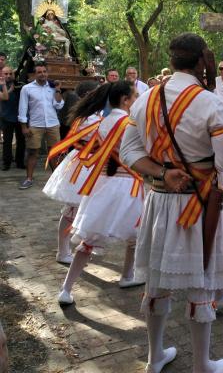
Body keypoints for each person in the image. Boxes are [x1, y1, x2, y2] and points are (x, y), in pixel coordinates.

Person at [120, 33, 223, 373]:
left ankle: (154, 357)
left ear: (171, 61)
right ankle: (202, 365)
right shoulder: (210, 102)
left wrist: (162, 171)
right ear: (202, 61)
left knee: (157, 284)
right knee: (200, 284)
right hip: (198, 205)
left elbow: (128, 152)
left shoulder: (145, 99)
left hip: (159, 199)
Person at [57, 80, 144, 306]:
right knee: (135, 235)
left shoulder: (104, 121)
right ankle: (127, 276)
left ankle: (66, 289)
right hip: (127, 184)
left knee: (89, 239)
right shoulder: (129, 123)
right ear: (125, 100)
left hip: (103, 184)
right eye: (135, 96)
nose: (137, 99)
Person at [43, 80, 100, 265]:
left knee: (88, 208)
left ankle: (84, 245)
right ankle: (63, 250)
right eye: (97, 92)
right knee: (72, 210)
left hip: (91, 162)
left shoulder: (92, 114)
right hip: (83, 164)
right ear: (88, 95)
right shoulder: (86, 117)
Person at [17, 63, 64, 189]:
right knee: (33, 152)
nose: (42, 74)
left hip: (53, 124)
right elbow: (22, 108)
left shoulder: (53, 87)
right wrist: (24, 127)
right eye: (39, 72)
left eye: (44, 71)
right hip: (35, 125)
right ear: (34, 74)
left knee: (54, 153)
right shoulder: (27, 88)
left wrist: (58, 89)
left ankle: (56, 180)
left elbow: (59, 105)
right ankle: (29, 179)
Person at [0, 67, 26, 170]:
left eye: (10, 73)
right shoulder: (0, 86)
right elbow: (5, 97)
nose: (8, 76)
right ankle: (6, 163)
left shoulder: (20, 84)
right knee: (7, 141)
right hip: (6, 117)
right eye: (6, 74)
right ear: (2, 74)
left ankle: (20, 162)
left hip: (20, 117)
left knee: (21, 141)